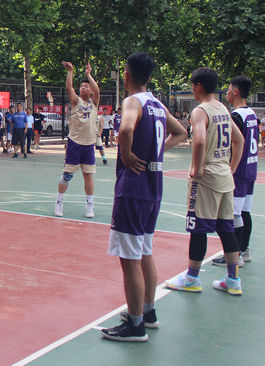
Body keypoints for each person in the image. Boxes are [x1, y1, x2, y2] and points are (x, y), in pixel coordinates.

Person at [100, 52, 187, 342]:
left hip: (133, 188)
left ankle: (135, 325)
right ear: (149, 77)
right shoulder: (157, 104)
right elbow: (181, 132)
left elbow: (125, 129)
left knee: (129, 259)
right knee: (145, 251)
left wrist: (126, 153)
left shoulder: (132, 102)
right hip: (153, 188)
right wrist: (156, 151)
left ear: (126, 75)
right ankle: (148, 313)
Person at [165, 67, 245, 296]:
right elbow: (239, 140)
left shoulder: (200, 111)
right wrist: (231, 168)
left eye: (192, 85)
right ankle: (233, 280)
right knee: (226, 229)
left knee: (198, 229)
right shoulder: (223, 109)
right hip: (224, 177)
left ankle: (192, 278)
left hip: (207, 178)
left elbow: (199, 140)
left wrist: (197, 167)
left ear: (198, 86)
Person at [212, 76, 258, 267]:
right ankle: (244, 250)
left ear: (236, 92)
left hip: (238, 171)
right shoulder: (251, 114)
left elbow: (232, 143)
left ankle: (235, 254)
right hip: (251, 168)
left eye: (229, 89)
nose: (227, 92)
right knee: (245, 211)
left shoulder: (237, 116)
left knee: (233, 214)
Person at [55, 61, 101, 219]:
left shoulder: (94, 103)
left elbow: (97, 90)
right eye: (81, 86)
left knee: (88, 175)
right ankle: (59, 201)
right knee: (67, 175)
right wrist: (70, 71)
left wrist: (89, 74)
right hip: (75, 143)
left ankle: (90, 205)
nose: (83, 88)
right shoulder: (76, 101)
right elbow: (69, 88)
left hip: (89, 144)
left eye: (86, 86)